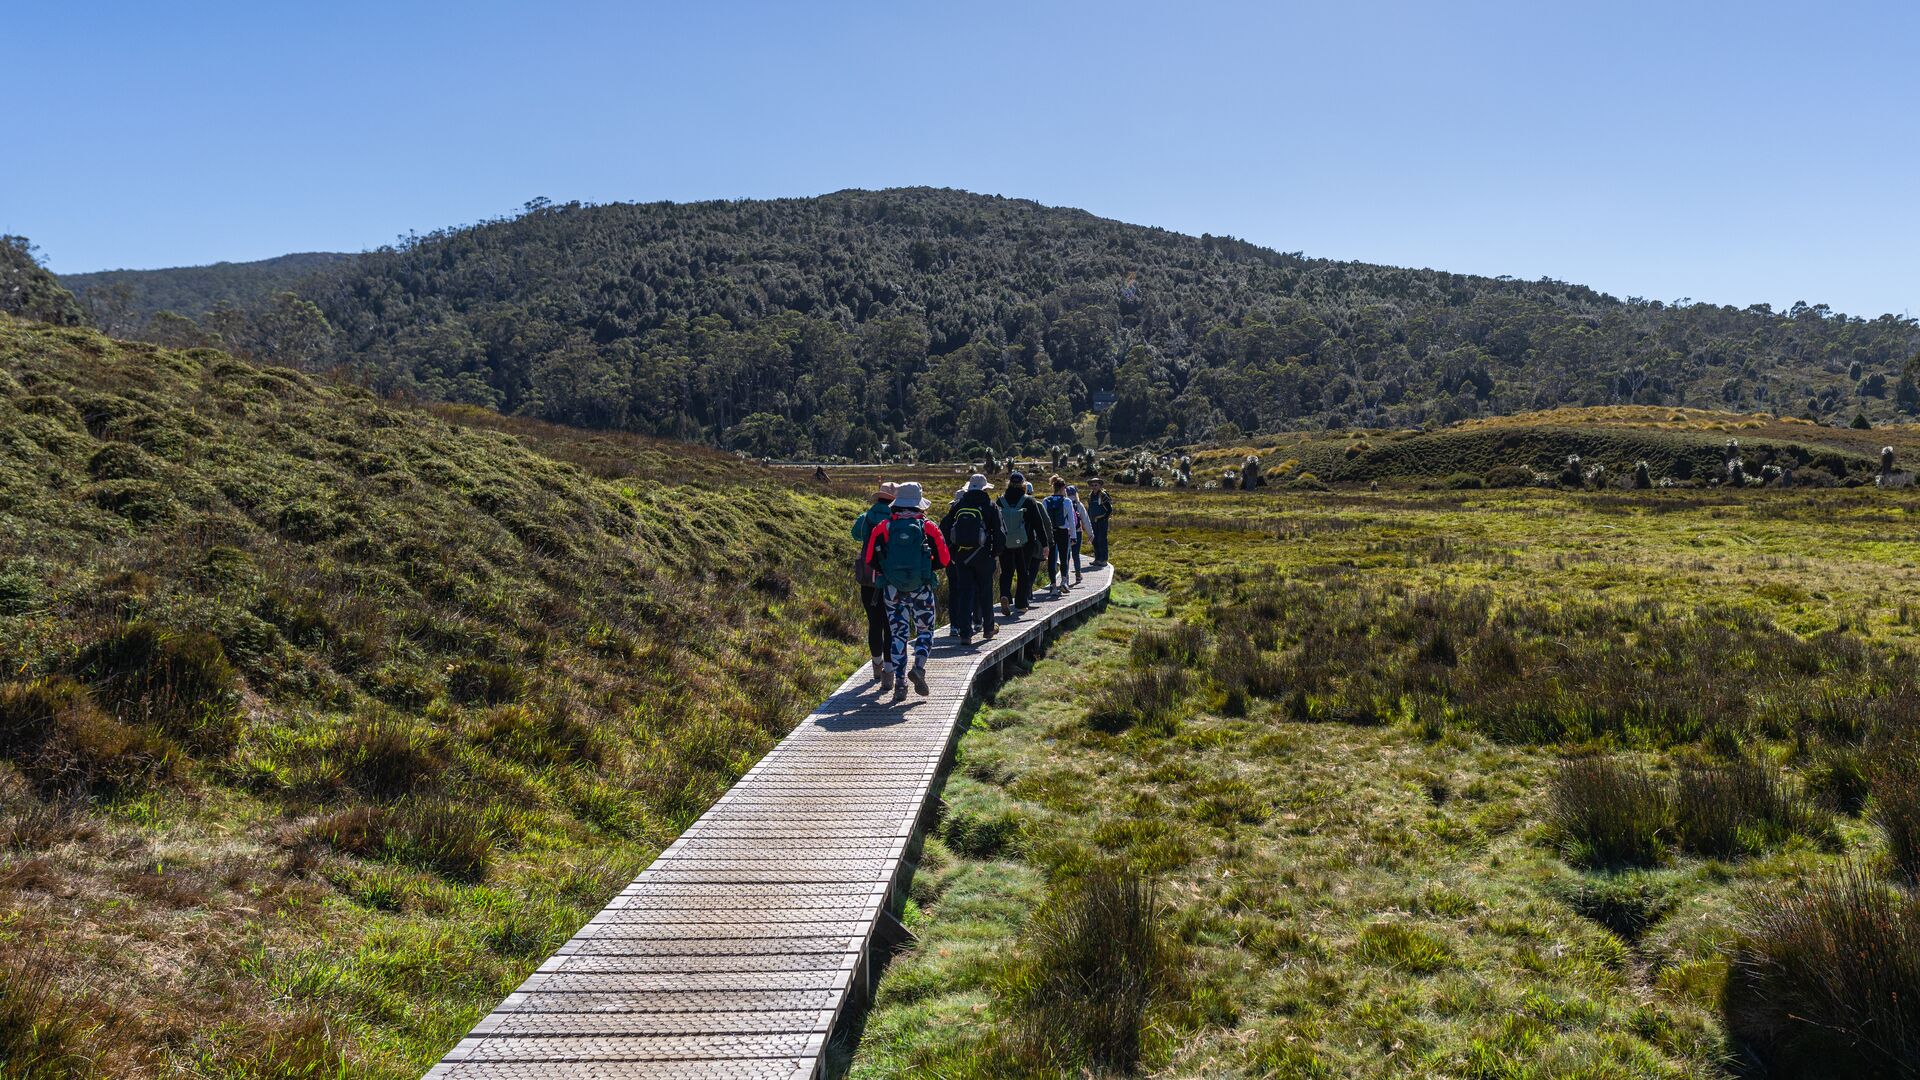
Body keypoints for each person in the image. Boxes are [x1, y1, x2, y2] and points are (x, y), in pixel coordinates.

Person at [863, 482, 951, 701]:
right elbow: (945, 559)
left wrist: (891, 572)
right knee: (925, 630)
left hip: (892, 590)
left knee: (898, 635)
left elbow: (869, 560)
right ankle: (919, 667)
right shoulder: (928, 527)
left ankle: (900, 684)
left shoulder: (883, 527)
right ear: (918, 503)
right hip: (921, 588)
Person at [942, 473, 1006, 646]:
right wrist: (995, 553)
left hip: (962, 557)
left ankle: (965, 634)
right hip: (984, 555)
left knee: (964, 593)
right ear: (985, 488)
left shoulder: (959, 504)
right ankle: (988, 629)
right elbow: (999, 532)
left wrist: (953, 553)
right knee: (985, 592)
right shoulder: (990, 505)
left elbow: (946, 529)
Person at [850, 481, 896, 688]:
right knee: (890, 625)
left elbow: (854, 534)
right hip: (890, 578)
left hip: (868, 579)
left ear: (878, 498)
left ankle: (876, 665)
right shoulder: (896, 518)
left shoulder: (865, 518)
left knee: (874, 623)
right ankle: (888, 670)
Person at [996, 471, 1053, 617]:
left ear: (1009, 483)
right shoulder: (1028, 501)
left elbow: (995, 524)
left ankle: (1005, 596)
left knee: (1006, 571)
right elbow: (1038, 524)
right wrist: (1045, 544)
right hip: (1025, 543)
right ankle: (1021, 604)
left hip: (1005, 542)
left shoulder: (1000, 501)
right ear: (1023, 484)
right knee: (1023, 572)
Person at [1042, 476, 1077, 598]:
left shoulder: (1046, 501)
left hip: (1050, 533)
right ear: (1063, 488)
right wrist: (1073, 536)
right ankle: (1063, 581)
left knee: (1052, 559)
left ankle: (1052, 585)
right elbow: (1072, 521)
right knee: (1064, 558)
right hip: (1063, 533)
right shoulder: (1067, 501)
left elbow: (1044, 520)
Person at [1067, 484, 1093, 584]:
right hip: (1077, 532)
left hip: (1066, 533)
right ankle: (1078, 575)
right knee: (1076, 554)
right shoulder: (1079, 504)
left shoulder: (1064, 503)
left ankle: (1065, 576)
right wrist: (1091, 534)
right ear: (1076, 493)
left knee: (1066, 555)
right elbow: (1086, 520)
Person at [1086, 477, 1113, 568]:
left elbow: (1109, 509)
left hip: (1102, 522)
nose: (1094, 487)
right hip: (1093, 522)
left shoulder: (1103, 495)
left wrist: (1103, 518)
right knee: (1095, 540)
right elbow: (1089, 508)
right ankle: (1097, 559)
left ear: (1100, 485)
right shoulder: (1090, 496)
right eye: (1092, 485)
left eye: (1096, 485)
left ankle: (1104, 560)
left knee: (1102, 540)